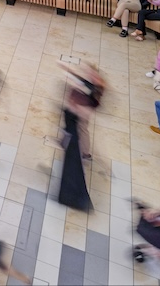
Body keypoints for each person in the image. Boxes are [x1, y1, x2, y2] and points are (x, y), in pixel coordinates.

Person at [55, 61, 103, 212]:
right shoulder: (88, 83)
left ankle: (85, 153)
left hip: (78, 116)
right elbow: (76, 78)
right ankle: (70, 144)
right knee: (72, 132)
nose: (86, 73)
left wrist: (78, 109)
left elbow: (92, 106)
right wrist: (65, 68)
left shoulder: (95, 88)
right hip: (72, 114)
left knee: (82, 133)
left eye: (89, 72)